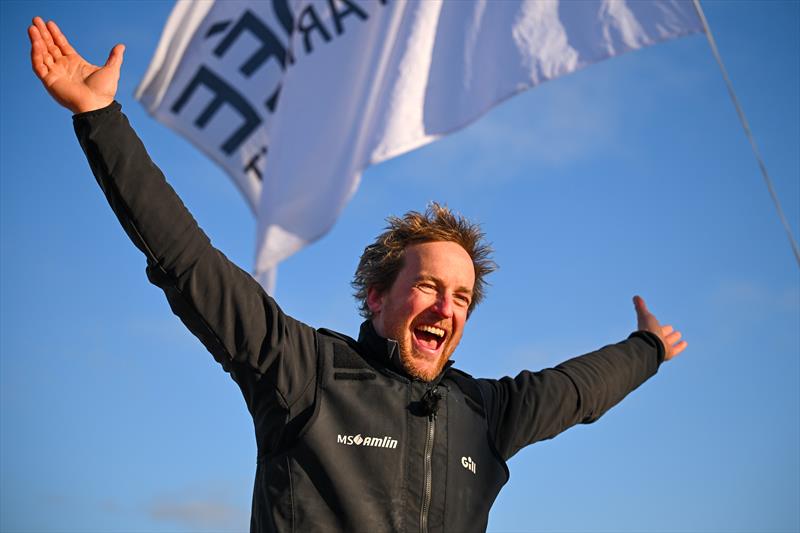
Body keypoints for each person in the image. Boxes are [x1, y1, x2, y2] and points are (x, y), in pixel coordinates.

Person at [28, 17, 687, 533]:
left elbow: (577, 390)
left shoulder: (485, 414)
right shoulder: (302, 370)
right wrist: (100, 120)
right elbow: (188, 262)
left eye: (461, 297)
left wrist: (648, 348)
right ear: (377, 296)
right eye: (429, 285)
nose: (446, 308)